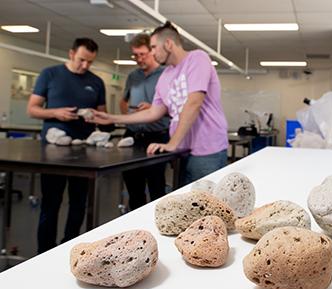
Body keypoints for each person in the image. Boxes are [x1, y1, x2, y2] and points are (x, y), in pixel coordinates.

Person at [92, 21, 228, 185]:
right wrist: (112, 118)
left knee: (205, 205)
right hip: (181, 150)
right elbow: (152, 112)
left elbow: (194, 102)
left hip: (207, 150)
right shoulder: (165, 77)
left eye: (154, 47)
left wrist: (172, 143)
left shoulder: (197, 58)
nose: (152, 52)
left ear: (169, 44)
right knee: (184, 204)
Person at [27, 38, 106, 253]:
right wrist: (56, 113)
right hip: (53, 152)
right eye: (82, 60)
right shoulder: (49, 74)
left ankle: (69, 247)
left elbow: (102, 114)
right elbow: (32, 109)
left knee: (79, 203)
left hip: (85, 152)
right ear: (71, 54)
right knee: (51, 203)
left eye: (90, 62)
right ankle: (43, 252)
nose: (85, 66)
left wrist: (94, 117)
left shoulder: (97, 82)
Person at [119, 33, 170, 210]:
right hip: (133, 137)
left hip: (157, 137)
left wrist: (153, 108)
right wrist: (129, 117)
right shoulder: (133, 76)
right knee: (133, 187)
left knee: (156, 186)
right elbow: (123, 101)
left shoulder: (166, 74)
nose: (139, 59)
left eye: (143, 54)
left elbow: (176, 107)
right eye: (135, 55)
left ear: (152, 51)